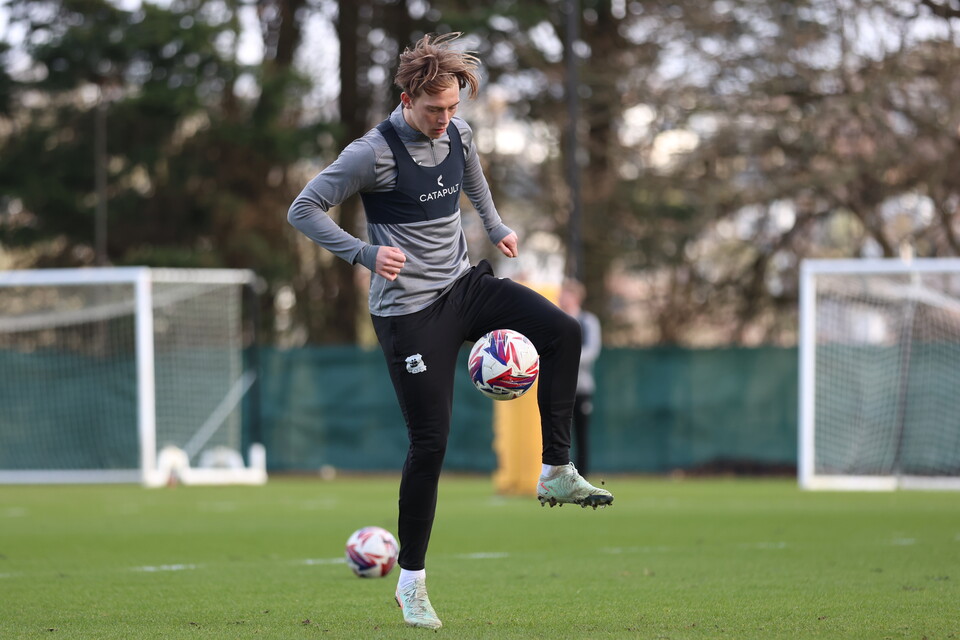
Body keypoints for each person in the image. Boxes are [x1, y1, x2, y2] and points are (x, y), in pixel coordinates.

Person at [287, 32, 613, 630]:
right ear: (407, 95)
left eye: (454, 107)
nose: (446, 120)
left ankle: (556, 470)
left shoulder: (458, 132)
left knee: (564, 332)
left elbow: (473, 178)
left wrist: (495, 223)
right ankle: (411, 584)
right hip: (408, 312)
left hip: (464, 286)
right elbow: (303, 209)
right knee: (430, 444)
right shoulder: (371, 153)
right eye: (435, 108)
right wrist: (362, 254)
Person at [559, 278, 602, 477]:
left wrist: (567, 357)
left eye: (565, 294)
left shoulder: (588, 321)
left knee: (581, 435)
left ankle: (582, 477)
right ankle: (559, 475)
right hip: (557, 388)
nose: (561, 297)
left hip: (581, 389)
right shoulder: (555, 318)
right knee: (558, 435)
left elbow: (591, 351)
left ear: (575, 296)